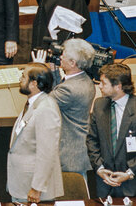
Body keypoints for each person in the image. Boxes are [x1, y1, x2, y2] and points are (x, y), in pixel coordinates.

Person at [32, 38, 96, 181]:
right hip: (76, 153)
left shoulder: (71, 89)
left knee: (69, 201)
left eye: (64, 55)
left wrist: (38, 70)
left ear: (73, 63)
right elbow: (58, 90)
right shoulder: (84, 80)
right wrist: (54, 72)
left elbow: (41, 103)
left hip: (69, 157)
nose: (60, 56)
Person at [7, 64, 63, 203]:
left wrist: (37, 187)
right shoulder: (33, 104)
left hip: (35, 190)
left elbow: (47, 152)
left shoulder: (46, 109)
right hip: (22, 185)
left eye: (23, 76)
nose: (20, 79)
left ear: (34, 84)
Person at [87, 63, 136, 197]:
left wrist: (129, 173)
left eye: (104, 83)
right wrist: (100, 169)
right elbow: (92, 139)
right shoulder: (99, 105)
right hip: (103, 184)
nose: (100, 86)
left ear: (118, 86)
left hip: (132, 184)